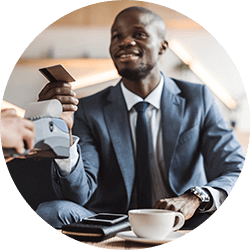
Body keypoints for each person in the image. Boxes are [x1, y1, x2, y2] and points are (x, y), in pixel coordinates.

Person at [36, 6, 245, 229]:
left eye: (139, 34)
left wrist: (195, 197)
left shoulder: (198, 99)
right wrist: (64, 135)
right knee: (52, 211)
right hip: (112, 220)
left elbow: (234, 169)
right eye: (117, 36)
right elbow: (77, 195)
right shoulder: (89, 108)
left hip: (180, 220)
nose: (125, 41)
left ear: (163, 46)